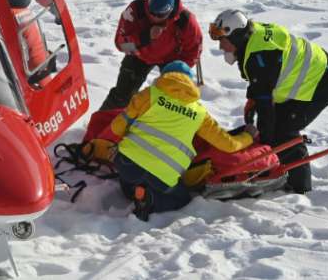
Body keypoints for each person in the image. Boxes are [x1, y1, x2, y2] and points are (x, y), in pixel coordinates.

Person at [208, 9, 328, 193]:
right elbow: (264, 81)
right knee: (274, 127)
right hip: (316, 69)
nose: (220, 47)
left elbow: (266, 106)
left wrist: (265, 144)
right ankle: (280, 167)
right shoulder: (252, 38)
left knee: (283, 131)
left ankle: (300, 188)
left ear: (236, 37)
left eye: (222, 40)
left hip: (323, 82)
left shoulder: (259, 57)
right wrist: (254, 98)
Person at [103, 61, 255, 220]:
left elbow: (116, 127)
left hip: (127, 162)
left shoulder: (150, 94)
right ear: (191, 83)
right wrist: (248, 136)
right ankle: (151, 200)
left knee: (130, 180)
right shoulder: (199, 113)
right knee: (182, 199)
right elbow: (227, 145)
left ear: (164, 76)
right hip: (163, 175)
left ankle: (134, 191)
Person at [98, 0, 202, 112]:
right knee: (121, 97)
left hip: (171, 59)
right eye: (151, 13)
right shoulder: (135, 10)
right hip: (139, 54)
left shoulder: (185, 21)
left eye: (161, 15)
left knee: (171, 102)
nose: (155, 18)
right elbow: (120, 44)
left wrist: (178, 69)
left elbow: (193, 51)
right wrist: (144, 37)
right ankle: (101, 122)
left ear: (170, 10)